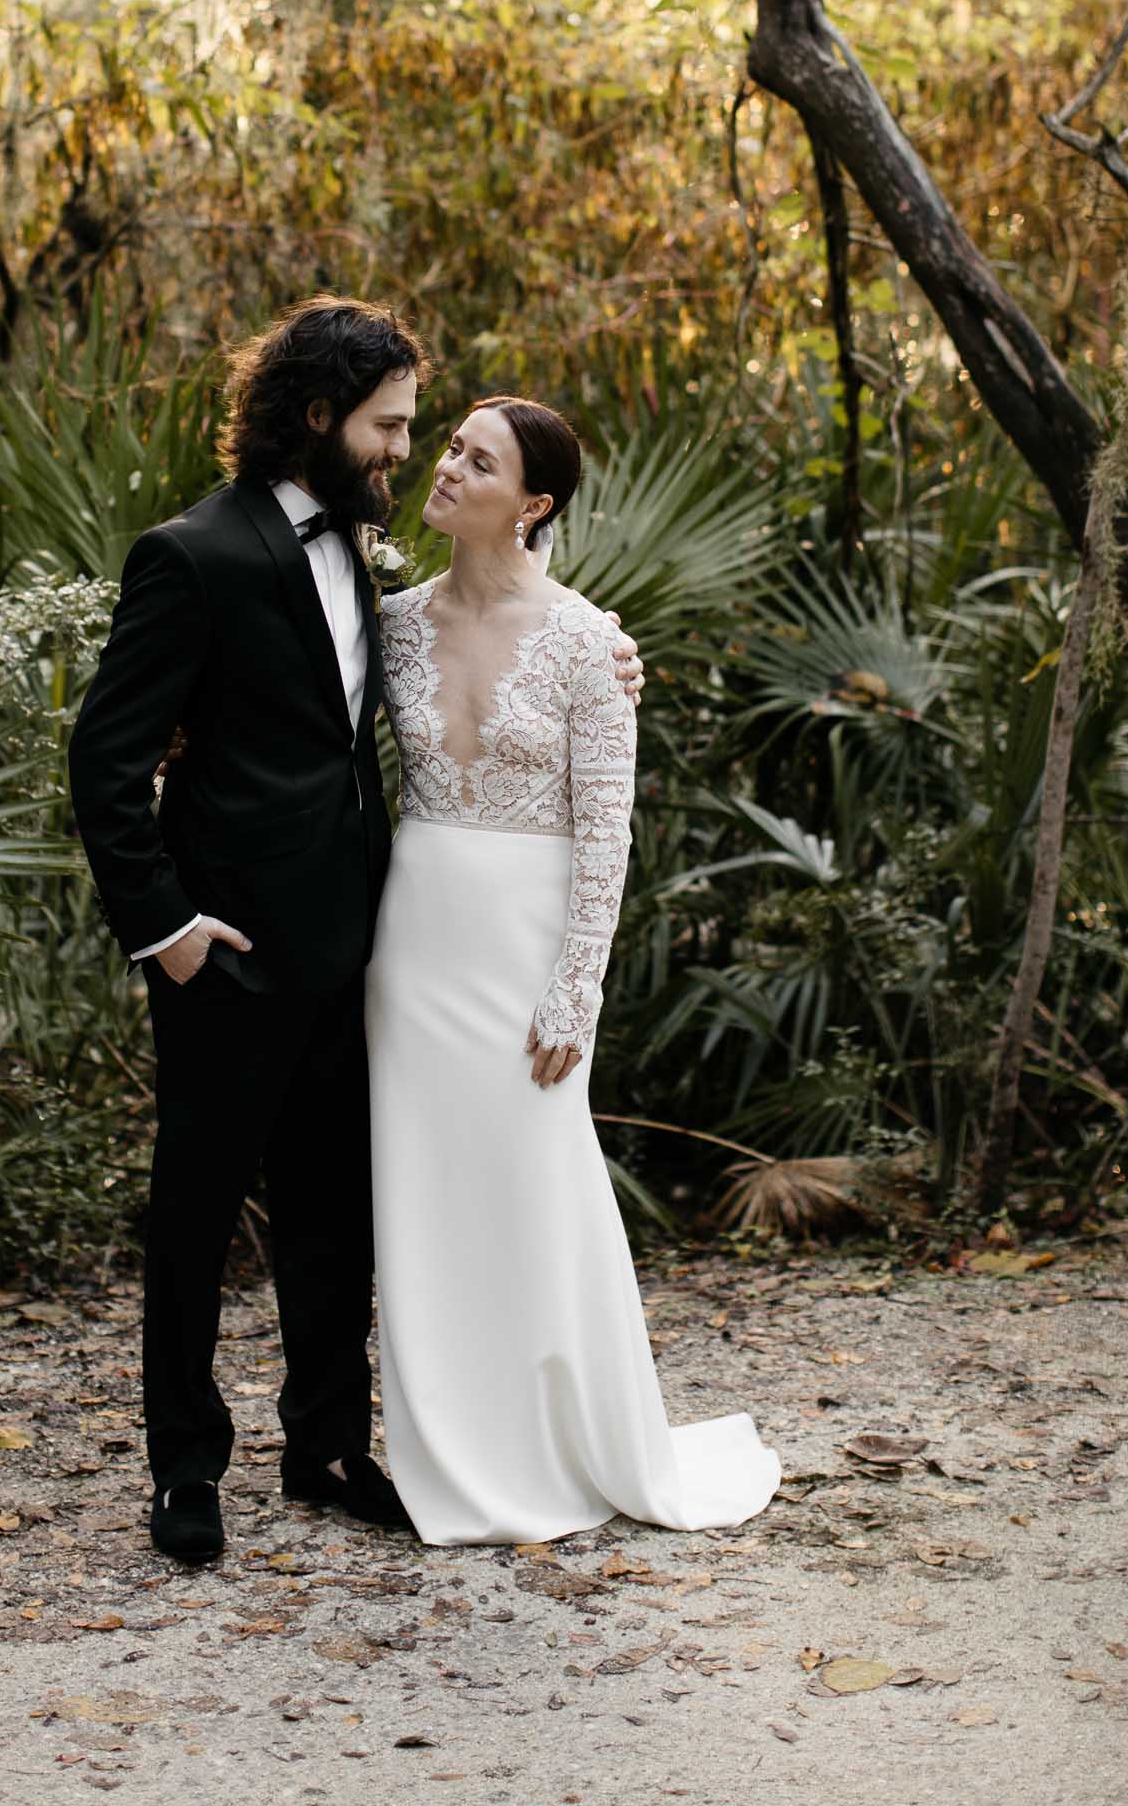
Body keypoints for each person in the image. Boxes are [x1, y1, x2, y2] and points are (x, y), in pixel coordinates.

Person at [68, 296, 641, 1565]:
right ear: (320, 419)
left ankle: (325, 1446)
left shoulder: (374, 572)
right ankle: (184, 1471)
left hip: (367, 950)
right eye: (389, 430)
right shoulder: (191, 555)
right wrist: (161, 926)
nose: (405, 453)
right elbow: (105, 761)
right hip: (223, 952)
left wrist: (609, 659)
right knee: (197, 1214)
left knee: (335, 1212)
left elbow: (487, 672)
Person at [366, 395, 781, 1544]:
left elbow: (609, 830)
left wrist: (574, 987)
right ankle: (445, 1450)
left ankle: (567, 1438)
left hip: (527, 942)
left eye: (476, 459)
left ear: (533, 502)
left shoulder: (592, 641)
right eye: (447, 446)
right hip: (413, 942)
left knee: (536, 1182)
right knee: (423, 1187)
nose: (445, 466)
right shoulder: (387, 621)